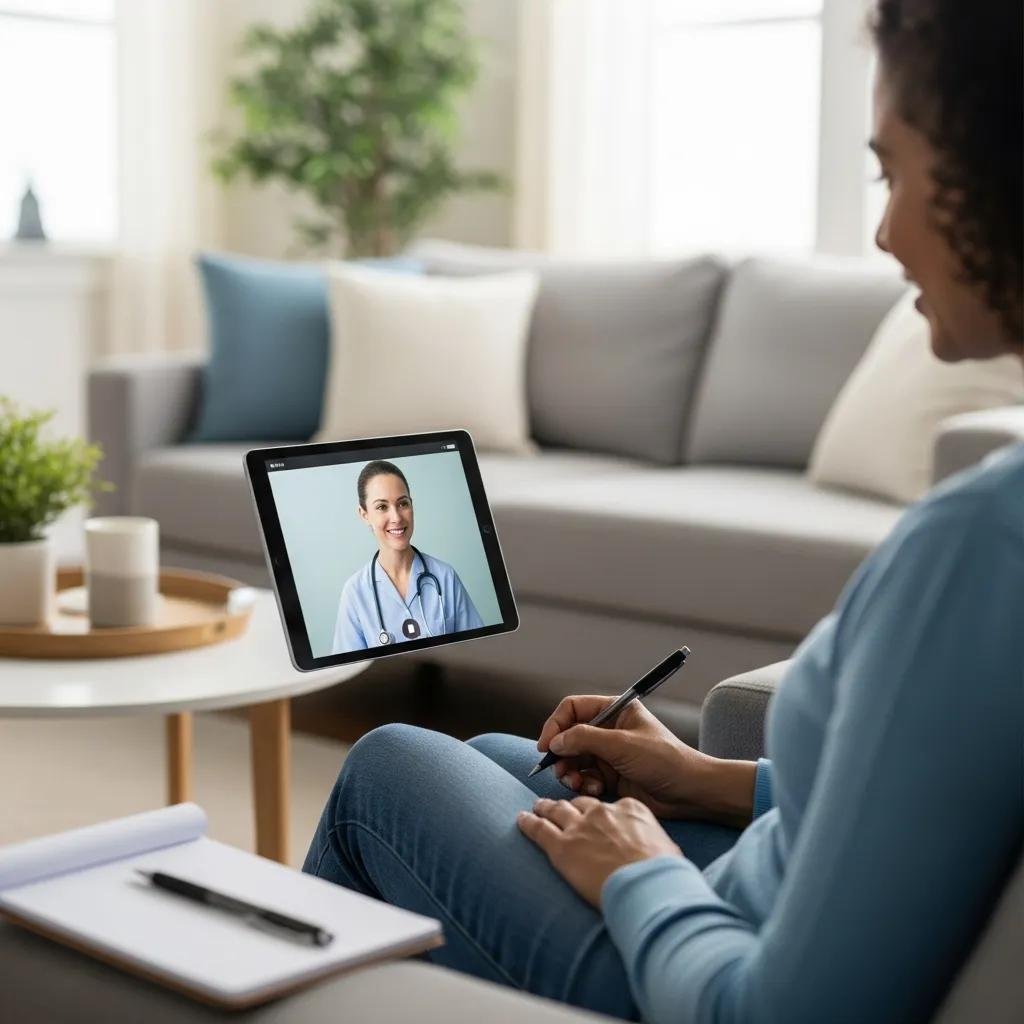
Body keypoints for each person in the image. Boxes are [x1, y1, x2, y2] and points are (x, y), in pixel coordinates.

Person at [305, 2, 1023, 1021]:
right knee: (497, 761)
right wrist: (697, 776)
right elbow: (910, 819)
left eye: (893, 171)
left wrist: (639, 869)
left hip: (704, 967)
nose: (882, 229)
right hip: (757, 887)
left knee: (388, 768)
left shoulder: (980, 546)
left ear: (995, 178)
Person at [332, 460, 483, 652]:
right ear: (364, 515)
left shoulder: (445, 577)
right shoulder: (355, 593)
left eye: (403, 503)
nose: (396, 517)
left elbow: (478, 651)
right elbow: (347, 671)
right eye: (382, 507)